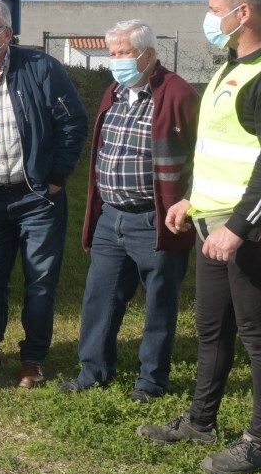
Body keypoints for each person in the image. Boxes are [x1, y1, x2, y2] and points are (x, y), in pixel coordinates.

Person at [140, 0, 261, 474]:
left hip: (257, 228)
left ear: (243, 12)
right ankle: (201, 421)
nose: (208, 18)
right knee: (211, 329)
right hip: (212, 222)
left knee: (259, 335)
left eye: (214, 9)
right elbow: (217, 150)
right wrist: (191, 200)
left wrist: (239, 226)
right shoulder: (229, 68)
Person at [0, 0, 88, 388]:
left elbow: (73, 123)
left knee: (40, 281)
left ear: (7, 33)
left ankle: (33, 359)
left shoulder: (41, 68)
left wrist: (56, 177)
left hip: (37, 198)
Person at [61, 20, 197, 402]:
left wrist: (188, 201)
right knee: (100, 297)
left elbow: (202, 155)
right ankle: (93, 372)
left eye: (124, 53)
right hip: (111, 217)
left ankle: (151, 382)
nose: (116, 60)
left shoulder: (178, 94)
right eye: (112, 53)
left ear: (148, 54)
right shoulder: (114, 92)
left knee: (159, 304)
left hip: (156, 219)